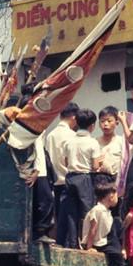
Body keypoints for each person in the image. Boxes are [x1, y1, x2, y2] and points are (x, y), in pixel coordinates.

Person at [81, 182, 133, 266]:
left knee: (117, 225)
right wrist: (89, 247)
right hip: (97, 242)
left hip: (102, 239)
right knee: (116, 254)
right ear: (111, 196)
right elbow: (93, 229)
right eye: (116, 195)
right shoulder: (99, 210)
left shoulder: (106, 211)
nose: (118, 198)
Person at [60, 109, 101, 248]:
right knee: (87, 212)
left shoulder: (68, 141)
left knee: (71, 213)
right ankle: (87, 243)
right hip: (85, 177)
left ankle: (72, 244)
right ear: (92, 126)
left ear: (76, 122)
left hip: (70, 177)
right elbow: (95, 166)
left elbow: (65, 162)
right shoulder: (93, 142)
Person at [45, 103, 78, 244]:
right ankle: (71, 245)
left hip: (54, 181)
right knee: (71, 216)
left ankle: (60, 242)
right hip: (69, 181)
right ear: (74, 117)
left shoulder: (50, 135)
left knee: (59, 217)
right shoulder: (72, 135)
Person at [96, 106, 123, 185]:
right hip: (99, 181)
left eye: (109, 121)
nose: (105, 124)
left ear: (117, 122)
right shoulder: (94, 142)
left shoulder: (121, 141)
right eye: (102, 121)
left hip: (117, 180)